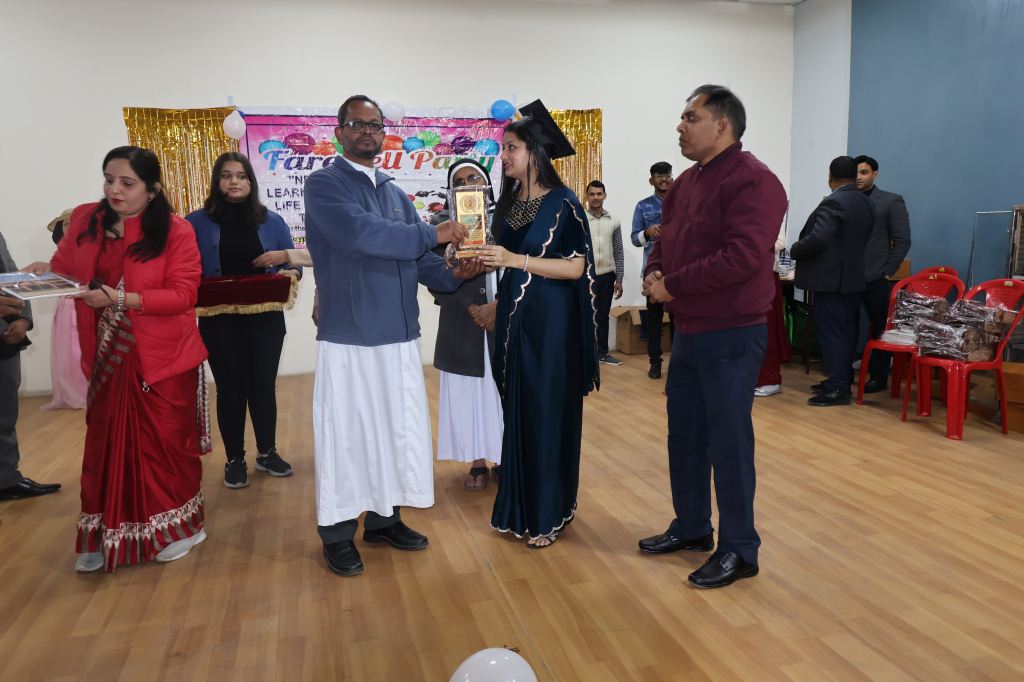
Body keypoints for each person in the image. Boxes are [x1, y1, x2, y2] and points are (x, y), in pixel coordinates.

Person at [304, 95, 480, 577]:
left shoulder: (395, 193)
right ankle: (337, 532)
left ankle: (384, 521)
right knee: (347, 436)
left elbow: (420, 261)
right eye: (357, 124)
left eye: (375, 125)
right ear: (339, 132)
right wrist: (433, 234)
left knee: (395, 430)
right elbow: (363, 235)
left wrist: (455, 273)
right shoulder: (324, 185)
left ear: (385, 134)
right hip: (351, 338)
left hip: (399, 336)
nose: (367, 132)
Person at [25, 146, 210, 572]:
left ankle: (180, 529)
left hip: (161, 359)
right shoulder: (86, 219)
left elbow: (184, 294)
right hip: (107, 356)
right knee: (105, 445)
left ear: (152, 189)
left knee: (164, 446)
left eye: (127, 183)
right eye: (109, 179)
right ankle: (102, 531)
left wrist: (122, 299)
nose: (115, 190)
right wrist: (44, 274)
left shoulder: (175, 231)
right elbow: (67, 270)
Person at [639, 85, 787, 588]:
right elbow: (666, 240)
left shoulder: (755, 181)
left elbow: (743, 256)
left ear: (722, 124)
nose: (680, 126)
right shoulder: (686, 183)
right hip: (690, 330)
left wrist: (673, 285)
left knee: (728, 442)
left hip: (732, 333)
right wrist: (654, 271)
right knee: (684, 435)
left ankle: (740, 548)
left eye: (690, 117)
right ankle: (692, 526)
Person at [476, 100, 599, 549]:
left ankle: (549, 512)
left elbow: (575, 267)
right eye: (504, 147)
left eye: (512, 147)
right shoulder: (510, 203)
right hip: (515, 322)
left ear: (535, 153)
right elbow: (498, 256)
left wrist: (516, 260)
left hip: (551, 327)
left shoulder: (564, 203)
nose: (504, 155)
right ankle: (518, 509)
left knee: (547, 414)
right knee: (519, 414)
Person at [188, 152, 299, 489]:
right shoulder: (195, 223)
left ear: (251, 181)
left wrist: (288, 269)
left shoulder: (273, 221)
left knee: (263, 386)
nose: (234, 181)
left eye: (241, 175)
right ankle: (234, 459)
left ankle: (267, 452)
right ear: (216, 181)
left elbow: (294, 265)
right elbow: (184, 268)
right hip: (218, 320)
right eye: (226, 175)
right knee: (230, 388)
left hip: (265, 318)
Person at [429, 159, 503, 491]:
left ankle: (504, 457)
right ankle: (477, 460)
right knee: (470, 396)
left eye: (474, 177)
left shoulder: (506, 219)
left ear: (487, 183)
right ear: (450, 189)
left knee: (502, 392)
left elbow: (521, 266)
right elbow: (433, 276)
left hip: (503, 317)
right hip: (463, 321)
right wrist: (472, 307)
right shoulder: (440, 226)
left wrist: (499, 306)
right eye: (459, 181)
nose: (468, 183)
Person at [791, 156, 876, 407]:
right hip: (852, 277)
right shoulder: (865, 201)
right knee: (845, 332)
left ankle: (838, 388)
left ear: (830, 177)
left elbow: (819, 237)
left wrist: (796, 249)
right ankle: (841, 378)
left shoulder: (835, 201)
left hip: (831, 280)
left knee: (831, 334)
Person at [0, 231, 62, 501]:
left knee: (5, 415)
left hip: (6, 336)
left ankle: (6, 480)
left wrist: (24, 319)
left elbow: (11, 276)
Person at [854, 154, 911, 393]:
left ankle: (878, 377)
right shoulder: (846, 199)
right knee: (847, 325)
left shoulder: (890, 201)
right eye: (856, 173)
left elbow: (902, 240)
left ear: (875, 174)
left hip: (876, 276)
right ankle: (842, 374)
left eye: (864, 172)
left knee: (880, 326)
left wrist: (887, 271)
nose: (859, 177)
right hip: (847, 276)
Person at [631, 162, 673, 379]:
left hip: (677, 272)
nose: (664, 179)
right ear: (651, 180)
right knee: (654, 322)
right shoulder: (643, 206)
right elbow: (634, 239)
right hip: (653, 274)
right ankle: (655, 363)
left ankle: (679, 363)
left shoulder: (683, 202)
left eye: (667, 175)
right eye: (659, 176)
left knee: (679, 321)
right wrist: (647, 233)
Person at [584, 180, 624, 365]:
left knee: (602, 316)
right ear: (587, 196)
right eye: (592, 194)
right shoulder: (581, 219)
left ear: (604, 196)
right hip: (584, 275)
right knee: (584, 314)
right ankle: (584, 354)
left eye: (599, 194)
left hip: (607, 275)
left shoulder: (614, 221)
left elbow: (618, 251)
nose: (596, 197)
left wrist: (619, 278)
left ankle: (602, 353)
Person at [753, 224, 793, 397]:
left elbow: (780, 242)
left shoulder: (771, 212)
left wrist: (749, 247)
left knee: (767, 329)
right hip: (747, 276)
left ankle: (770, 379)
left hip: (764, 276)